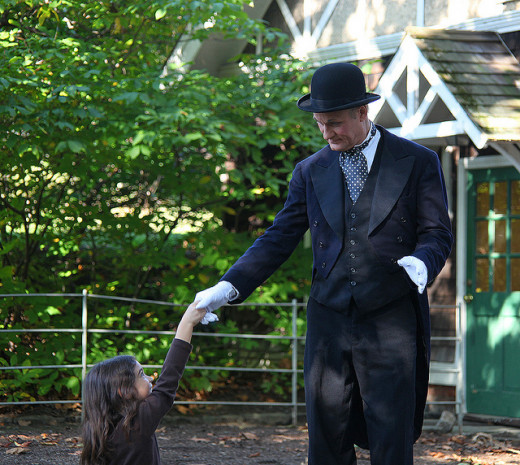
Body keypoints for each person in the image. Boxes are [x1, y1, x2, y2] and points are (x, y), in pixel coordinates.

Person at [194, 62, 452, 465]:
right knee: (326, 439)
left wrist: (422, 262)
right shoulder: (310, 171)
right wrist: (227, 288)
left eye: (333, 123)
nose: (326, 132)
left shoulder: (417, 160)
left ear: (362, 113)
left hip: (391, 319)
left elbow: (437, 233)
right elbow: (278, 238)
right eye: (319, 123)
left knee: (392, 438)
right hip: (328, 321)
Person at [80, 303, 206, 465]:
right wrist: (187, 322)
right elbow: (169, 378)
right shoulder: (137, 425)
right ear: (124, 391)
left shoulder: (98, 432)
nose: (151, 378)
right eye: (141, 374)